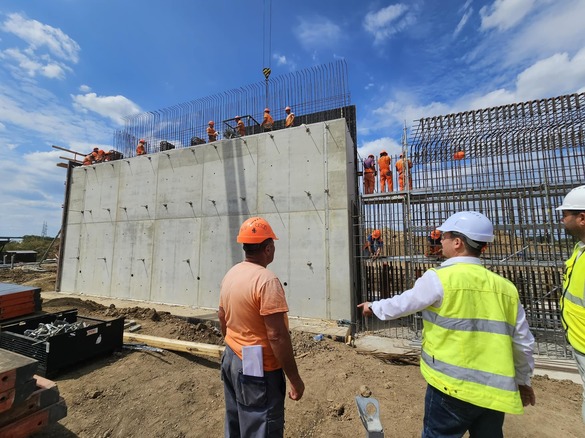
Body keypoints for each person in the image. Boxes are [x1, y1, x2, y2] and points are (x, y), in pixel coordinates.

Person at [358, 211, 536, 437]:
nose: (440, 240)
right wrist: (523, 380)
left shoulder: (439, 278)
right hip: (494, 394)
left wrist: (373, 307)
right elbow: (523, 342)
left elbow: (403, 304)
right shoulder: (506, 288)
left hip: (451, 389)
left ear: (458, 242)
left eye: (445, 236)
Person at [219, 217, 304, 437]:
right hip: (258, 368)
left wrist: (233, 344)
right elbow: (276, 336)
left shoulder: (232, 273)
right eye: (272, 245)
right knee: (261, 427)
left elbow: (221, 315)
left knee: (236, 422)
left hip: (231, 358)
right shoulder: (267, 281)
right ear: (268, 249)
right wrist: (295, 379)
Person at [557, 185, 585, 423]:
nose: (562, 219)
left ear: (582, 218)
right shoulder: (579, 249)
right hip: (579, 341)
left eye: (565, 214)